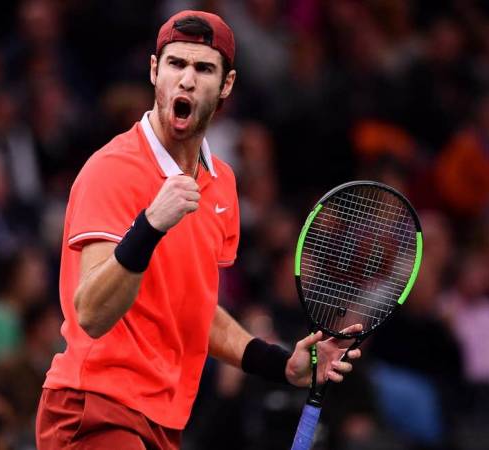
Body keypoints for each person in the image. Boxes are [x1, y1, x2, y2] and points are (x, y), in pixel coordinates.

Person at [36, 10, 362, 450]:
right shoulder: (111, 170)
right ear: (155, 71)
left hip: (163, 420)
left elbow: (195, 309)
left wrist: (279, 364)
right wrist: (150, 226)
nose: (186, 80)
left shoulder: (221, 182)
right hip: (96, 406)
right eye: (175, 64)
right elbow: (91, 314)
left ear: (226, 85)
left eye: (204, 68)